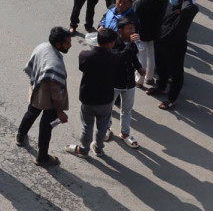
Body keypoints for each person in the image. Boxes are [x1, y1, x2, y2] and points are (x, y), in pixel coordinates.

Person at [16, 27, 71, 167]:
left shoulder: (42, 46)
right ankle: (42, 157)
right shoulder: (55, 65)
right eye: (67, 43)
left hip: (37, 91)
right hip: (50, 100)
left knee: (31, 112)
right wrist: (60, 112)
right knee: (46, 127)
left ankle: (20, 137)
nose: (70, 45)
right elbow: (56, 94)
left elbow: (31, 66)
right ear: (58, 44)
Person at [65, 28, 119, 158]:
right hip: (106, 98)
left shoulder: (85, 55)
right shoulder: (115, 58)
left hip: (88, 97)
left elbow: (81, 67)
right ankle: (99, 148)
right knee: (103, 126)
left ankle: (84, 149)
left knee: (87, 125)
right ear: (111, 43)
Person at [148, 0, 199, 109]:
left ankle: (172, 99)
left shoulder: (186, 10)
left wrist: (186, 1)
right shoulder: (171, 4)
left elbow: (193, 8)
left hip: (175, 46)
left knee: (176, 73)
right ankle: (161, 86)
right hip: (161, 42)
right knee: (161, 66)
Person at [109, 18, 145, 148]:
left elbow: (132, 56)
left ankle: (125, 133)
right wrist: (131, 44)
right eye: (129, 29)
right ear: (120, 31)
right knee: (109, 107)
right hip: (114, 82)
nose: (132, 31)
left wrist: (139, 67)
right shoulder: (113, 43)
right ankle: (106, 129)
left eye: (133, 28)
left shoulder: (132, 43)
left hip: (129, 82)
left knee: (127, 110)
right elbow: (120, 58)